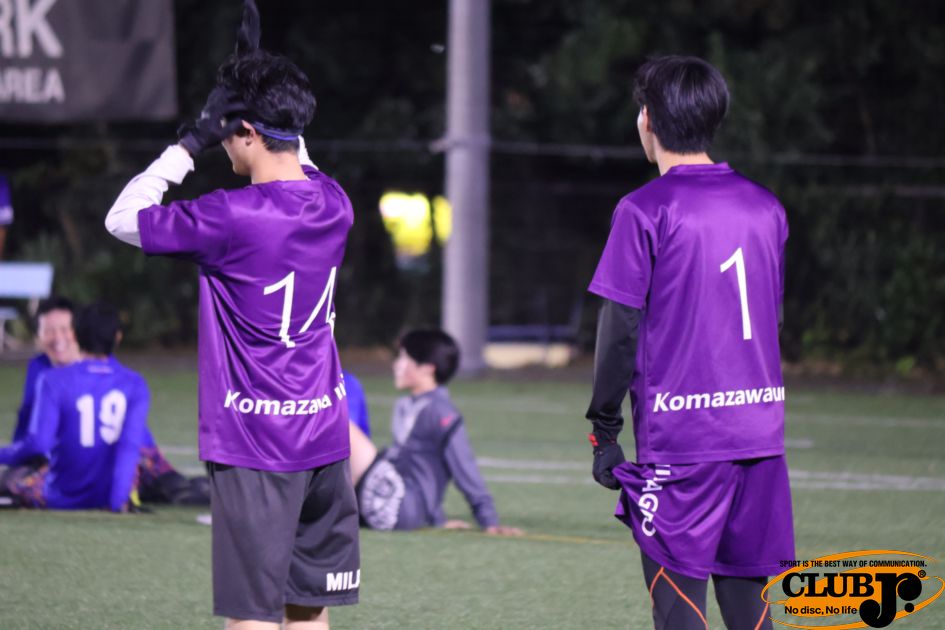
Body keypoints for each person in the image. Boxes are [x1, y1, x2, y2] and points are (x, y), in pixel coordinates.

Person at [104, 4, 359, 626]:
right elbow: (296, 153)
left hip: (255, 443)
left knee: (252, 615)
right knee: (308, 612)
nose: (221, 143)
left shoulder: (230, 216)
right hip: (326, 437)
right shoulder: (335, 202)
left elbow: (121, 218)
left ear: (245, 130)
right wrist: (261, 78)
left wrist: (187, 142)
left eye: (226, 130)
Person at [585, 55, 792, 630]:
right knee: (751, 612)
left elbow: (619, 328)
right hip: (760, 437)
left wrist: (604, 430)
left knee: (679, 611)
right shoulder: (766, 206)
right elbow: (769, 320)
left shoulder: (645, 209)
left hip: (682, 444)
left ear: (648, 120)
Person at [7, 297, 208, 506]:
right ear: (38, 336)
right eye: (48, 331)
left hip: (106, 462)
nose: (58, 338)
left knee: (146, 466)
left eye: (64, 329)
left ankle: (172, 485)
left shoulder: (62, 378)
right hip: (79, 463)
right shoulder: (40, 368)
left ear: (77, 332)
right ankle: (168, 487)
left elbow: (134, 440)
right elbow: (29, 428)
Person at [349, 329, 522, 537]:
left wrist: (489, 520)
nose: (396, 365)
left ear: (427, 368)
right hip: (392, 500)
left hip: (400, 506)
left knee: (339, 421)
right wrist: (437, 519)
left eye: (404, 358)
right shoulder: (406, 404)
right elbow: (419, 470)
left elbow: (464, 468)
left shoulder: (441, 412)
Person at [0, 304, 148, 512]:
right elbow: (129, 446)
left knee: (12, 481)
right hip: (108, 495)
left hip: (59, 495)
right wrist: (117, 502)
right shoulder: (134, 383)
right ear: (118, 337)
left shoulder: (53, 379)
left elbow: (39, 443)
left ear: (75, 335)